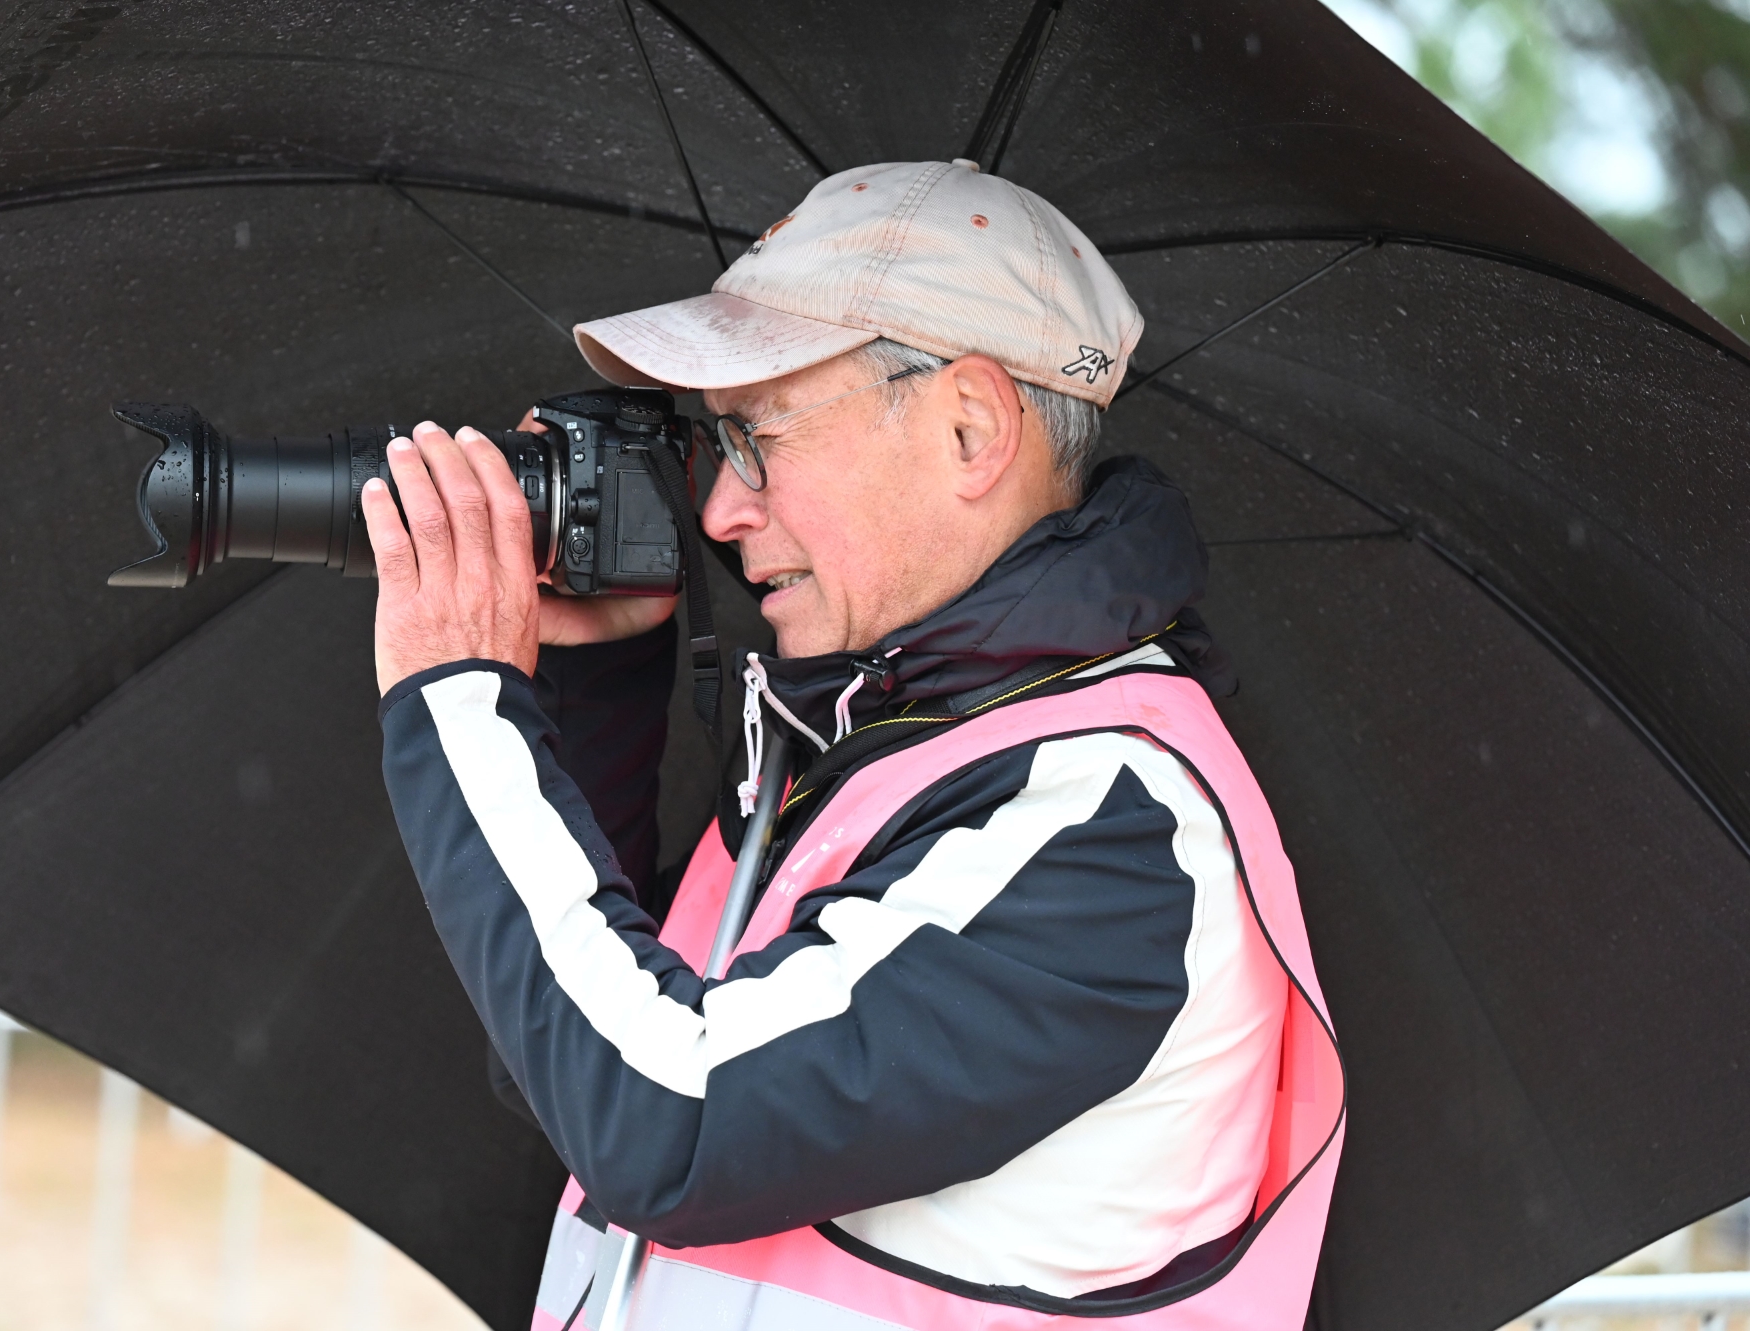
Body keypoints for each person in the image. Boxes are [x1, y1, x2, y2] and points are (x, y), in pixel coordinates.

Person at [360, 159, 1343, 1331]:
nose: (719, 509)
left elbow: (662, 1123)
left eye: (758, 434)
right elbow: (573, 1057)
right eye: (716, 444)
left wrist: (458, 701)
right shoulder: (873, 754)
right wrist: (598, 677)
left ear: (969, 428)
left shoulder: (1109, 824)